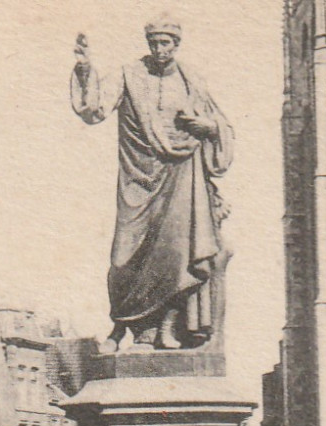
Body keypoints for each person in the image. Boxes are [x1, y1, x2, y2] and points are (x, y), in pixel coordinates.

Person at [70, 16, 234, 350]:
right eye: (154, 43)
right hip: (138, 177)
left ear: (176, 44)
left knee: (177, 254)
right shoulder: (129, 74)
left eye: (166, 43)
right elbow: (94, 108)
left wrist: (209, 128)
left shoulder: (193, 81)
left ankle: (165, 329)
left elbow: (220, 125)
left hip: (182, 174)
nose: (159, 49)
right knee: (124, 257)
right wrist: (85, 70)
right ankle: (131, 327)